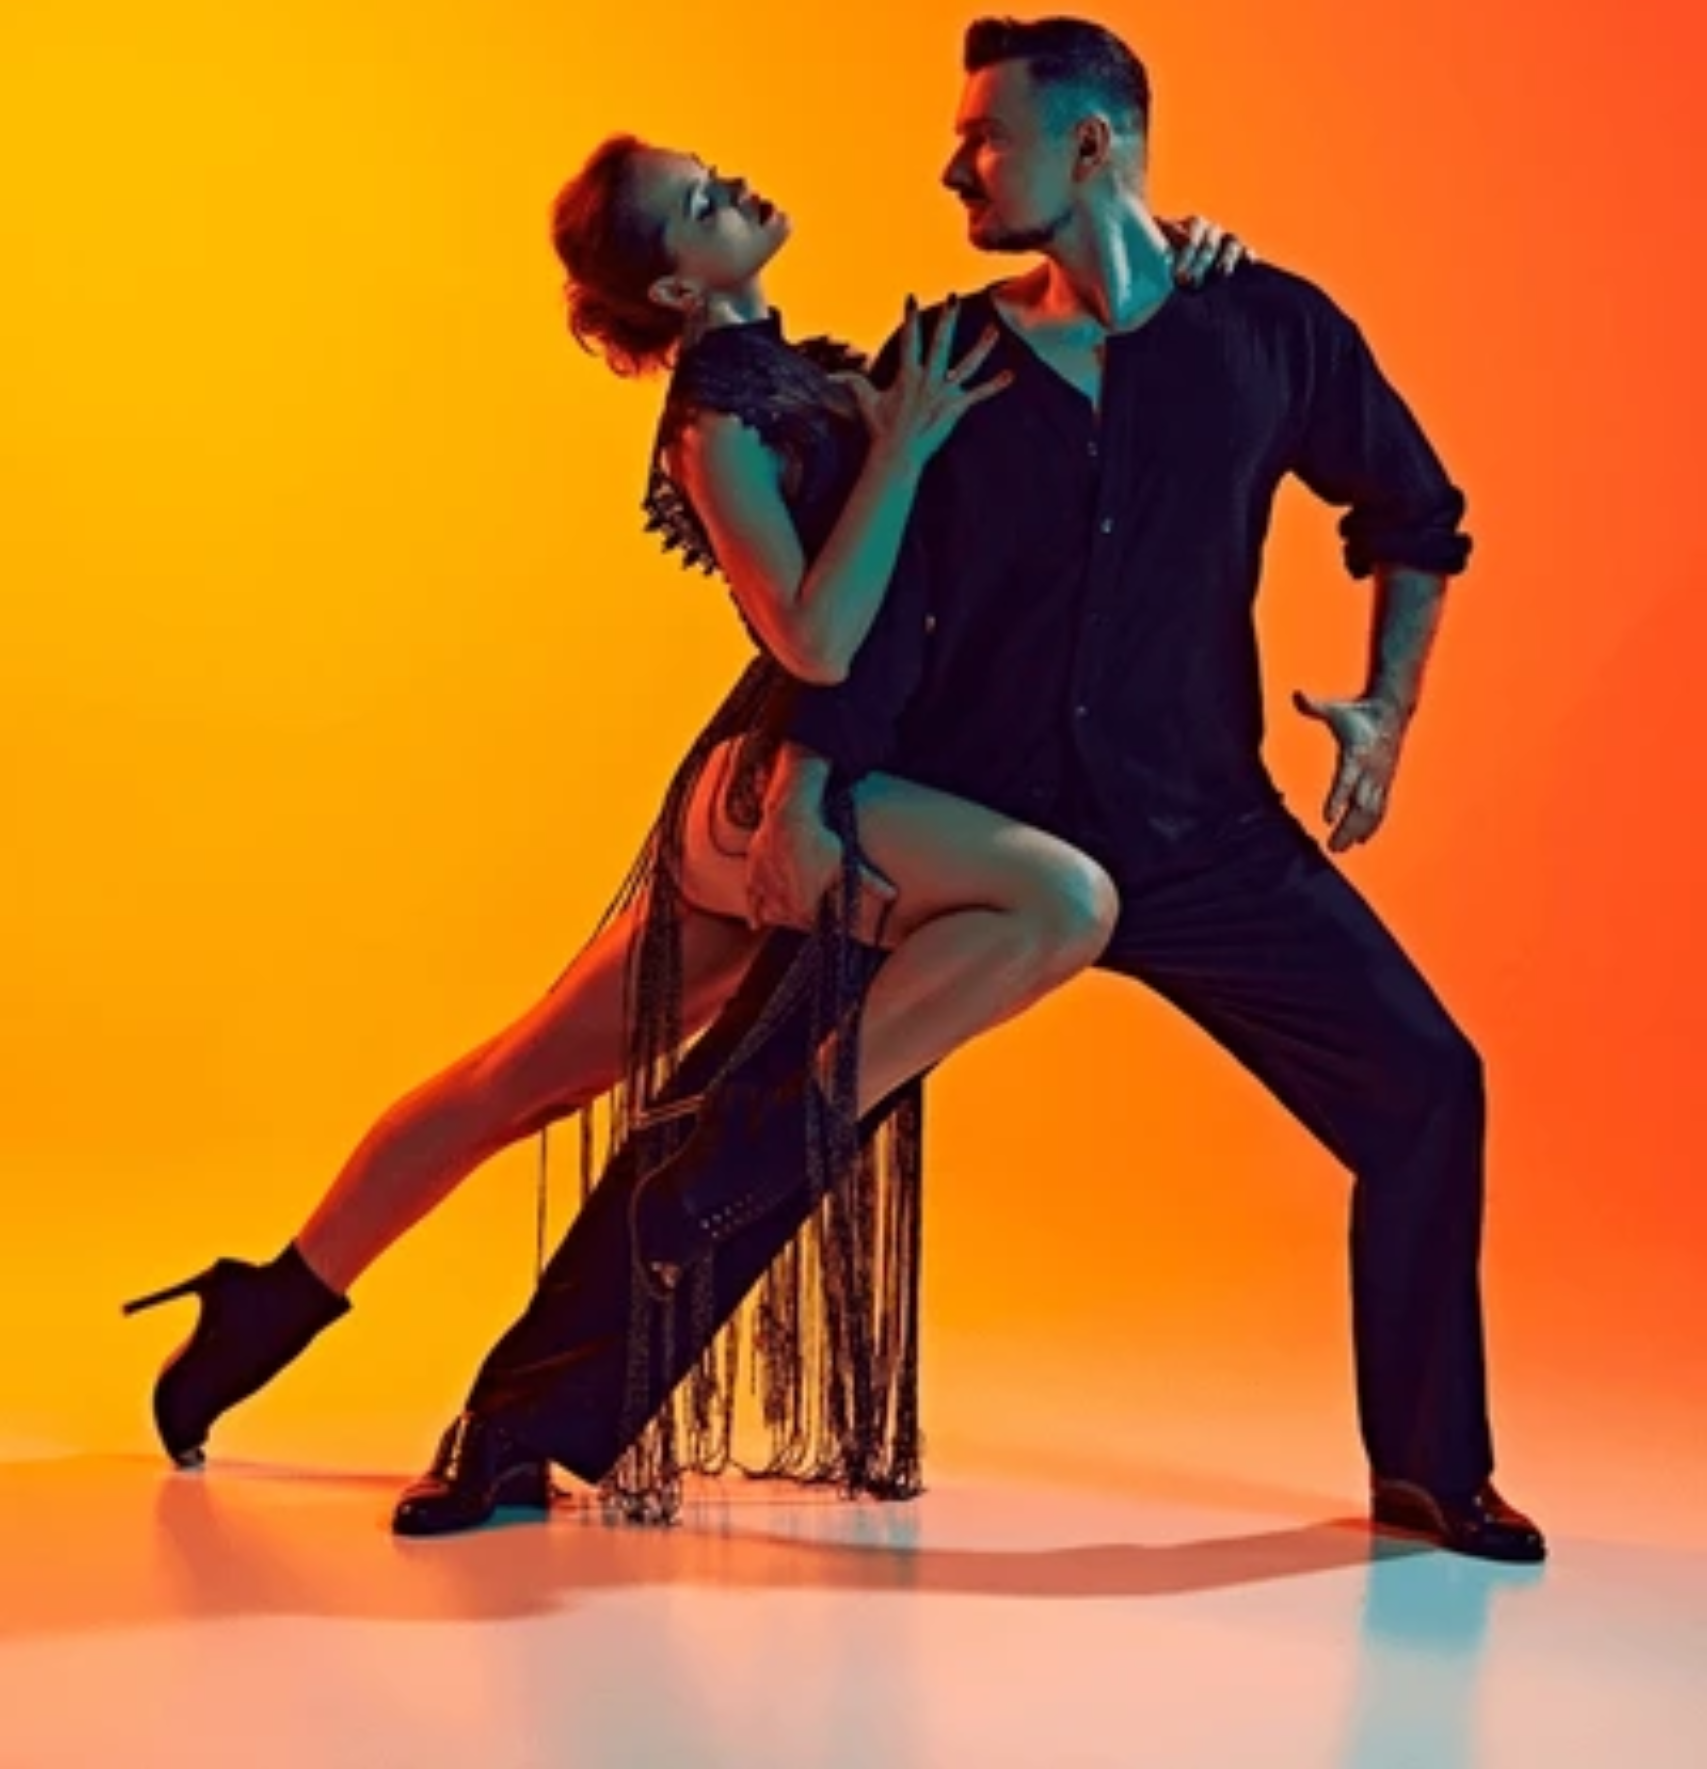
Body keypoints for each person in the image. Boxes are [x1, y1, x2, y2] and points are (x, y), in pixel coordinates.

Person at [419, 14, 1545, 1567]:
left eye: (984, 139)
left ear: (1088, 146)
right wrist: (811, 785)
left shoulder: (1265, 329)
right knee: (748, 1114)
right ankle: (512, 1433)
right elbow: (870, 608)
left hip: (1201, 833)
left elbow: (1414, 512)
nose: (954, 168)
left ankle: (1429, 1471)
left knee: (1426, 1085)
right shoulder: (941, 358)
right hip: (973, 829)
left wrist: (1385, 709)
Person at [122, 121, 1245, 1518]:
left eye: (713, 171)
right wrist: (898, 456)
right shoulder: (716, 420)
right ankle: (758, 1140)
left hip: (820, 780)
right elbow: (812, 640)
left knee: (523, 1078)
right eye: (703, 201)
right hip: (763, 790)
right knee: (1056, 900)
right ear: (673, 288)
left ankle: (270, 1299)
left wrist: (1171, 250)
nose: (737, 184)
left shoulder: (804, 370)